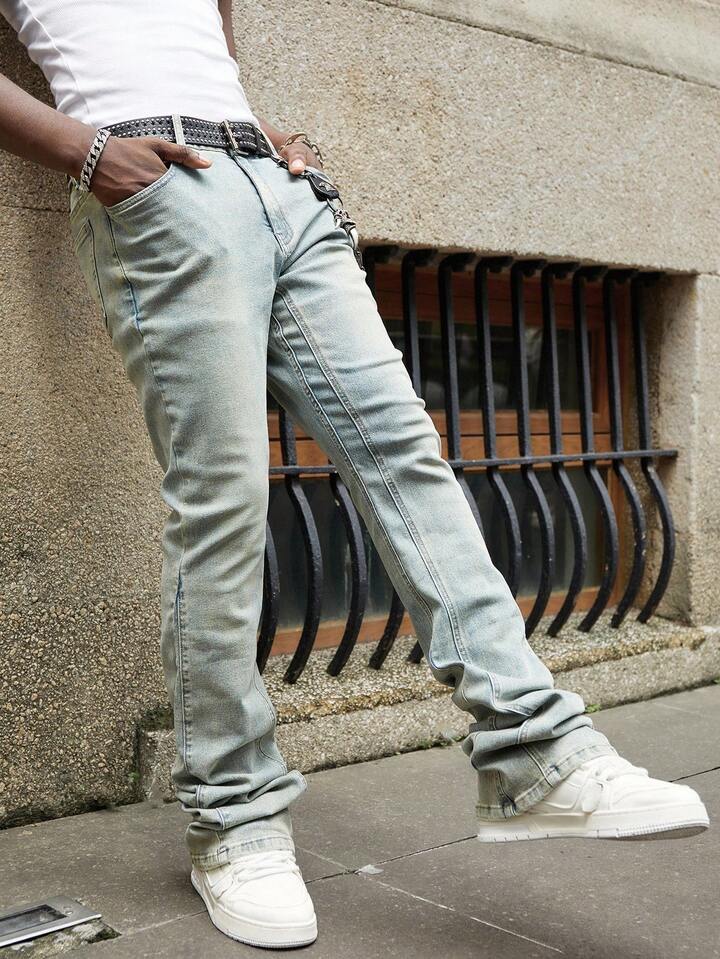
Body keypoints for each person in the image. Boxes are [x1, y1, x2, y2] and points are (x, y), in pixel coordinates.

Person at [0, 0, 709, 950]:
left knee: (406, 454)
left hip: (279, 190)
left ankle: (537, 753)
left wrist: (259, 135)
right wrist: (92, 157)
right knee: (222, 501)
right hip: (154, 189)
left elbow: (200, 41)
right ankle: (233, 818)